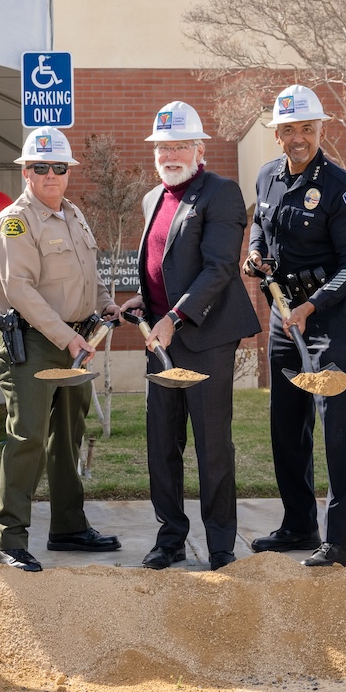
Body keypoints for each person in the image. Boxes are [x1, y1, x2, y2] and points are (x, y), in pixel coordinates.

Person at [118, 101, 261, 572]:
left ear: (199, 149)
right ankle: (170, 537)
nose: (169, 154)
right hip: (160, 338)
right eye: (162, 146)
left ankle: (221, 544)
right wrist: (145, 298)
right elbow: (165, 263)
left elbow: (219, 268)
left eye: (179, 145)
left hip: (204, 336)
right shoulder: (151, 198)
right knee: (162, 443)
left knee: (212, 444)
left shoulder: (220, 193)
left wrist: (175, 316)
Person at [0, 126, 122, 572]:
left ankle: (68, 527)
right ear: (26, 172)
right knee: (28, 436)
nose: (49, 175)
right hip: (34, 342)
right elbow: (20, 290)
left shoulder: (73, 214)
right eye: (39, 167)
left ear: (67, 173)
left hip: (75, 340)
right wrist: (67, 336)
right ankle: (9, 539)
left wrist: (105, 305)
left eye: (57, 168)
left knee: (69, 434)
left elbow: (89, 273)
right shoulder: (16, 221)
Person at [244, 85, 346, 567]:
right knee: (286, 423)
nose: (298, 138)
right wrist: (255, 253)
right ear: (277, 134)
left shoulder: (342, 188)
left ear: (321, 130)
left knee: (334, 427)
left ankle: (339, 542)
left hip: (329, 318)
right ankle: (298, 524)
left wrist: (312, 307)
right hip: (282, 313)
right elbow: (261, 225)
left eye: (307, 129)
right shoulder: (267, 177)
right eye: (289, 129)